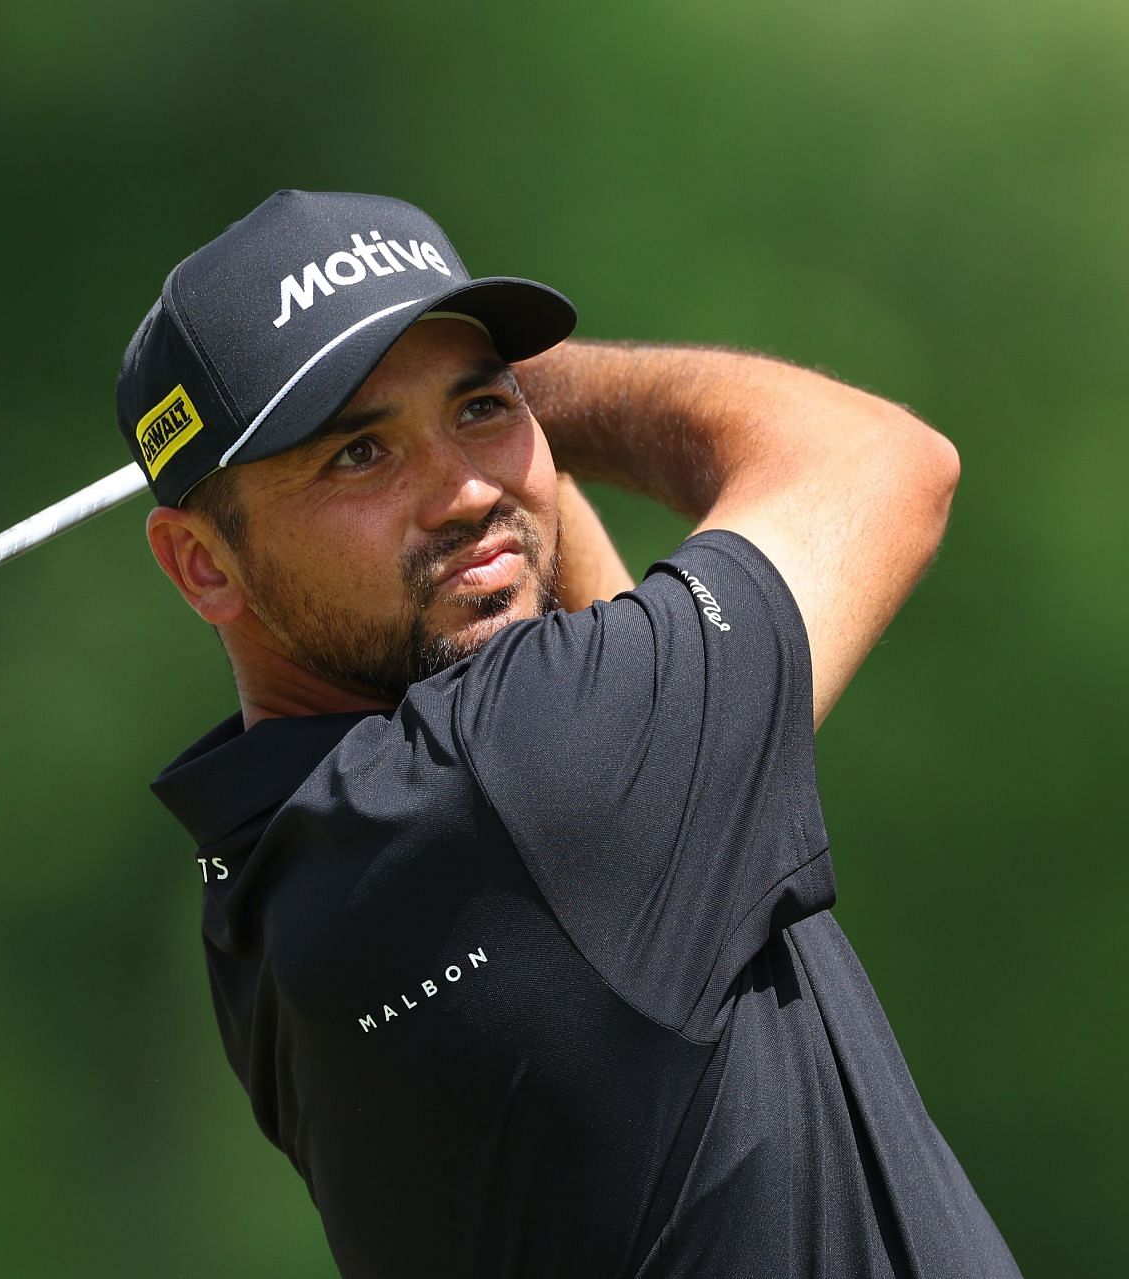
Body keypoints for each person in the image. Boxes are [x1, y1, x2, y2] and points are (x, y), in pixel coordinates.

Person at [117, 190, 1018, 1277]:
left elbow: (571, 637)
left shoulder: (267, 886)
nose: (462, 492)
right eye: (359, 453)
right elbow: (884, 458)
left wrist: (454, 408)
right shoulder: (523, 779)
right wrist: (551, 390)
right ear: (203, 562)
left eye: (482, 410)